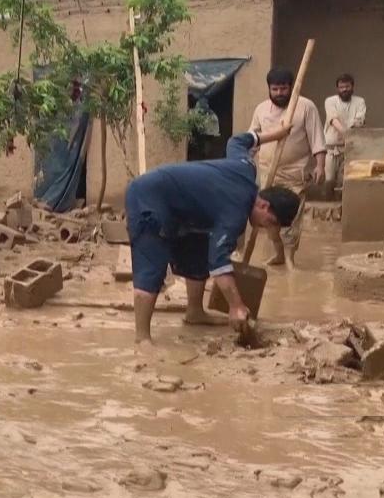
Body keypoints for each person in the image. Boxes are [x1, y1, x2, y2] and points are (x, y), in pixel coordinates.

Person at [125, 129, 301, 346]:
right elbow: (219, 262)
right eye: (271, 222)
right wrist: (236, 305)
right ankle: (142, 338)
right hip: (149, 198)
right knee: (152, 264)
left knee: (198, 247)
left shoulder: (246, 167)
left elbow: (237, 141)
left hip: (184, 210)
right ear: (264, 205)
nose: (266, 228)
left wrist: (274, 135)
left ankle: (195, 312)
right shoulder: (236, 212)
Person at [250, 68, 326, 268]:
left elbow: (317, 137)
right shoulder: (261, 109)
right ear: (269, 88)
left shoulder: (305, 107)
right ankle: (278, 254)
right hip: (269, 172)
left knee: (293, 217)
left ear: (291, 87)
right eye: (275, 89)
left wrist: (320, 165)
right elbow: (253, 138)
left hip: (295, 173)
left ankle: (291, 258)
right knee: (270, 218)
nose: (279, 93)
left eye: (283, 89)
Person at [324, 74, 367, 195]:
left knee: (345, 181)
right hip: (331, 148)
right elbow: (333, 119)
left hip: (351, 148)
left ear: (352, 87)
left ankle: (343, 208)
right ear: (337, 88)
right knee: (329, 179)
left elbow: (359, 121)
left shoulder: (359, 101)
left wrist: (349, 136)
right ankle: (329, 205)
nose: (344, 89)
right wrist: (346, 134)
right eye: (341, 87)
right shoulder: (330, 101)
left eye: (347, 86)